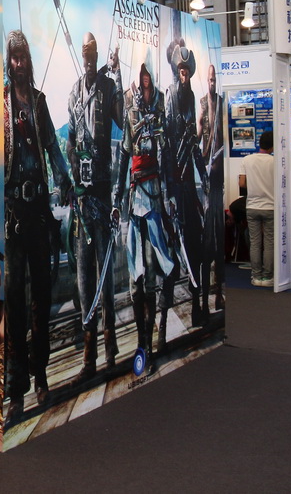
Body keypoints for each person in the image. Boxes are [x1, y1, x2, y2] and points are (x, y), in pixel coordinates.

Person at [2, 29, 71, 424]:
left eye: (23, 56)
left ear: (29, 60)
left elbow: (52, 148)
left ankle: (41, 375)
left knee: (41, 298)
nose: (19, 63)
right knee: (14, 303)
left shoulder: (39, 102)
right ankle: (16, 391)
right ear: (8, 61)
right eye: (14, 57)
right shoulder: (1, 103)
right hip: (12, 213)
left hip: (39, 211)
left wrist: (66, 180)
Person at [113, 58, 178, 375]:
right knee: (137, 281)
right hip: (135, 198)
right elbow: (125, 155)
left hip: (156, 197)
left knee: (158, 271)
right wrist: (117, 196)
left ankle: (156, 334)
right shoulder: (130, 111)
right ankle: (143, 345)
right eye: (142, 76)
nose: (145, 80)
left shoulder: (161, 110)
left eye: (148, 75)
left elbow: (167, 156)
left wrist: (171, 195)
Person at [66, 33, 122, 384]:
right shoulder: (74, 92)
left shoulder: (108, 87)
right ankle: (89, 355)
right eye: (84, 53)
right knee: (84, 277)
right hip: (81, 198)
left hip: (103, 192)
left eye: (92, 53)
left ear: (98, 55)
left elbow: (122, 120)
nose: (88, 58)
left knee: (106, 274)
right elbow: (70, 138)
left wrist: (117, 75)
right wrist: (72, 162)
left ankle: (111, 345)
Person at [164, 40, 208, 327]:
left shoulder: (190, 97)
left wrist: (204, 175)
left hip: (189, 185)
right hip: (174, 186)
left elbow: (193, 143)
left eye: (187, 70)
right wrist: (168, 191)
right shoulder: (170, 96)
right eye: (181, 69)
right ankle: (164, 321)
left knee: (195, 245)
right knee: (171, 251)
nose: (184, 74)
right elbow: (167, 146)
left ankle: (196, 305)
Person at [198, 64, 226, 310]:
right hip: (207, 183)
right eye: (209, 79)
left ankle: (218, 295)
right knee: (207, 246)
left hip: (219, 184)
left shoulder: (222, 104)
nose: (212, 82)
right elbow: (198, 134)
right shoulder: (203, 105)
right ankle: (205, 298)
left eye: (214, 79)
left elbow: (224, 135)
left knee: (218, 244)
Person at [239, 131, 275, 287]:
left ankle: (256, 276)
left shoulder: (247, 160)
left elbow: (241, 183)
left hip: (252, 205)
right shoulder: (275, 161)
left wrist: (254, 186)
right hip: (271, 206)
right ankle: (267, 277)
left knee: (255, 243)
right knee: (269, 242)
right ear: (272, 146)